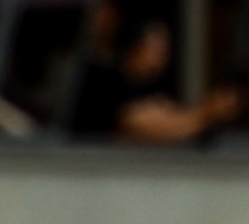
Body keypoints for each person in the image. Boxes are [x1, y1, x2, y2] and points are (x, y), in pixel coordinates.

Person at [68, 8, 240, 143]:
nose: (163, 56)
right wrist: (207, 113)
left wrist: (206, 113)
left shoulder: (154, 84)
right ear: (134, 48)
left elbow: (169, 115)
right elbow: (144, 125)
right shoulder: (107, 81)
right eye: (156, 49)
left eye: (166, 49)